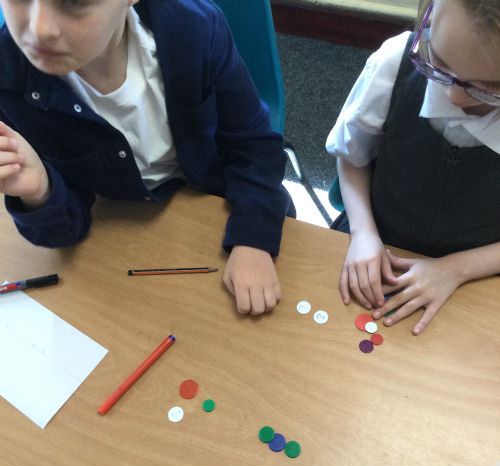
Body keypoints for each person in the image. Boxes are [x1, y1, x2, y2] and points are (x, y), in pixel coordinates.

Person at [0, 0, 294, 316]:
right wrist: (40, 192)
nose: (39, 29)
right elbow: (68, 230)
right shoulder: (9, 78)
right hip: (125, 223)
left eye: (75, 1)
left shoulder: (194, 27)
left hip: (223, 197)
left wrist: (253, 239)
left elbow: (253, 145)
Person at [326, 0, 500, 334]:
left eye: (488, 88)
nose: (453, 97)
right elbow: (351, 157)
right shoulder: (395, 62)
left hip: (477, 277)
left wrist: (456, 269)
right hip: (374, 238)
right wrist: (363, 232)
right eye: (439, 62)